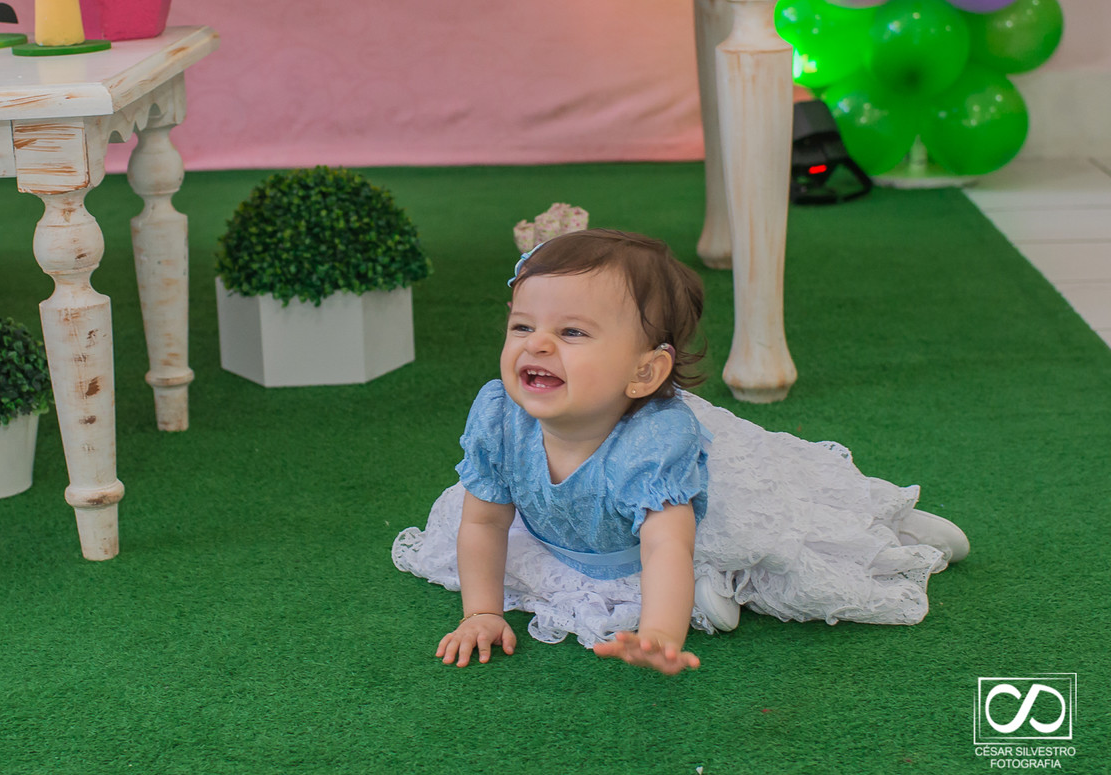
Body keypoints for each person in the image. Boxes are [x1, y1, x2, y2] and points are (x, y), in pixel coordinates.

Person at [392, 229, 968, 675]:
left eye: (572, 333)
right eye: (522, 327)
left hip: (692, 513)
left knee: (775, 533)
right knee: (531, 566)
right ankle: (710, 590)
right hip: (571, 537)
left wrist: (660, 635)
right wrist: (483, 612)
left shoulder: (656, 441)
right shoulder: (499, 415)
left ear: (645, 371)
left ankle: (880, 523)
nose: (535, 344)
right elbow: (486, 522)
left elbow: (667, 542)